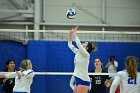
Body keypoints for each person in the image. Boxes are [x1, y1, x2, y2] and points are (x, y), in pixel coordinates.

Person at [68, 26, 96, 93]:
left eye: (84, 43)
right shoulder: (78, 52)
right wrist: (70, 33)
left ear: (86, 48)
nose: (82, 43)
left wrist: (75, 33)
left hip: (83, 80)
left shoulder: (86, 55)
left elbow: (78, 44)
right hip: (77, 78)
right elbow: (70, 44)